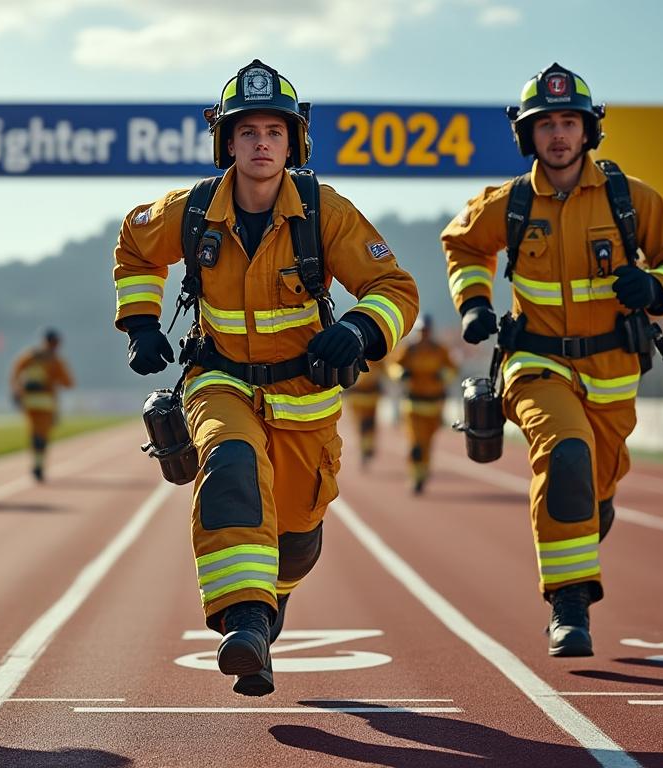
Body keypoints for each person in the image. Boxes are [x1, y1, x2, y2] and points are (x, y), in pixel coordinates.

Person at [113, 59, 418, 696]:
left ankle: (267, 611)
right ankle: (244, 621)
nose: (260, 144)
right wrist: (141, 321)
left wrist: (360, 329)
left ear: (293, 141)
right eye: (246, 131)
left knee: (298, 537)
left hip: (304, 398)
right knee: (230, 466)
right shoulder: (192, 210)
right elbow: (138, 246)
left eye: (273, 133)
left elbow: (394, 288)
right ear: (227, 141)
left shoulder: (324, 211)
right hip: (218, 382)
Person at [442, 63, 663, 656]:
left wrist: (658, 287)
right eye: (546, 125)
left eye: (569, 122)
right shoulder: (507, 203)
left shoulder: (631, 198)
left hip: (613, 374)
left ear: (589, 131)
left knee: (592, 485)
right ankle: (569, 607)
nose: (558, 135)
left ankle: (592, 507)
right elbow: (462, 242)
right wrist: (475, 302)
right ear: (527, 136)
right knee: (564, 455)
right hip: (535, 364)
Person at [392, 315, 457, 495]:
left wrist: (443, 375)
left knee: (427, 443)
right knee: (416, 444)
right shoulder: (409, 350)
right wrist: (400, 373)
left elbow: (453, 368)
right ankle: (415, 476)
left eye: (426, 331)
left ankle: (423, 473)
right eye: (421, 331)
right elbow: (393, 366)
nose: (423, 335)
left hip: (434, 405)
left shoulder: (439, 350)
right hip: (413, 405)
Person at [10, 328, 74, 481]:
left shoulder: (30, 355)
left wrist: (17, 390)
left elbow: (15, 372)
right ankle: (39, 464)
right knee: (43, 434)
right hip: (46, 402)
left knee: (33, 432)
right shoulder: (55, 360)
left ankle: (36, 462)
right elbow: (68, 383)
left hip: (30, 401)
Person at [343, 350, 388, 468]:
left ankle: (367, 447)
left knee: (369, 423)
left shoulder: (377, 355)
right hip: (356, 397)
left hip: (371, 396)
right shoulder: (350, 352)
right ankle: (365, 447)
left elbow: (387, 371)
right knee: (361, 425)